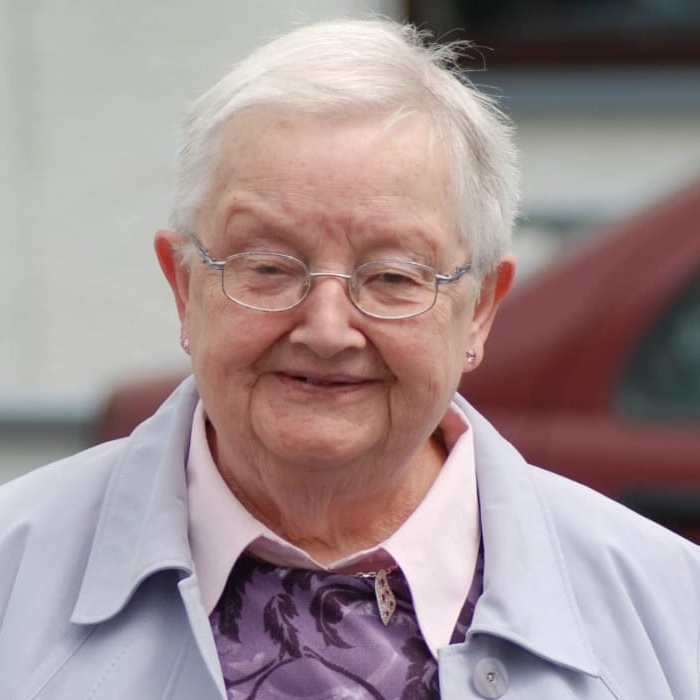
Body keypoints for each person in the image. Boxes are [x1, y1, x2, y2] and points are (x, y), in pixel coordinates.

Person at [0, 16, 699, 700]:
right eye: (268, 267)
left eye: (393, 276)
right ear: (185, 287)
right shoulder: (15, 575)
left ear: (481, 308)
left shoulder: (670, 610)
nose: (328, 329)